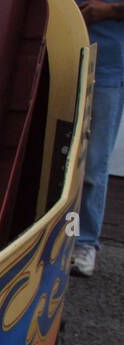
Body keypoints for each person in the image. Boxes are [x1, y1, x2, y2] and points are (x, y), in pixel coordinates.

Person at [74, 1, 124, 276]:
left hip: (107, 68)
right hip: (63, 57)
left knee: (93, 162)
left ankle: (84, 242)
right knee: (55, 153)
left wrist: (107, 11)